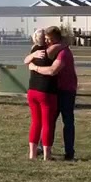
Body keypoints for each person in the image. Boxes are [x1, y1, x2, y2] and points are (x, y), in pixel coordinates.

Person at [33, 26, 79, 161]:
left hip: (66, 90)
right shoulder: (56, 49)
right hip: (54, 90)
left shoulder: (63, 53)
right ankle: (44, 147)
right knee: (49, 120)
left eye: (48, 39)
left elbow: (53, 70)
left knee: (67, 121)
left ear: (54, 39)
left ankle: (69, 152)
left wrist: (34, 68)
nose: (46, 41)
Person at [23, 28, 59, 161]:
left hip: (32, 90)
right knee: (47, 123)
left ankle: (32, 154)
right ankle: (46, 155)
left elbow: (26, 60)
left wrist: (32, 59)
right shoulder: (50, 50)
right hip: (46, 91)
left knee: (36, 122)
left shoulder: (34, 50)